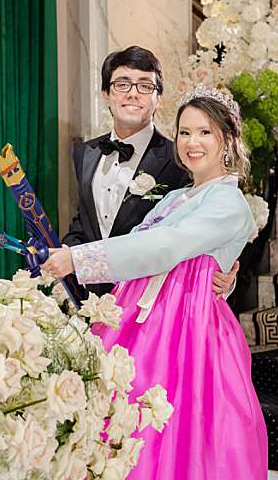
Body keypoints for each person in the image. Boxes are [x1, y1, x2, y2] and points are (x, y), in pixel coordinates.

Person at [0, 87, 278, 480]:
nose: (191, 143)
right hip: (142, 323)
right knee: (116, 449)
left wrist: (79, 260)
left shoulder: (227, 202)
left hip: (187, 341)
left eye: (204, 133)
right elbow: (153, 242)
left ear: (229, 142)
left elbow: (166, 248)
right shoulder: (182, 196)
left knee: (178, 462)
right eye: (184, 132)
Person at [66, 45, 236, 301]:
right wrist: (63, 260)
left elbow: (201, 233)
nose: (133, 94)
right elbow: (85, 223)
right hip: (86, 297)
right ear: (105, 94)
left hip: (150, 303)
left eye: (145, 86)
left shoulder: (183, 159)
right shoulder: (85, 153)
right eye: (122, 84)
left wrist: (225, 276)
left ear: (159, 98)